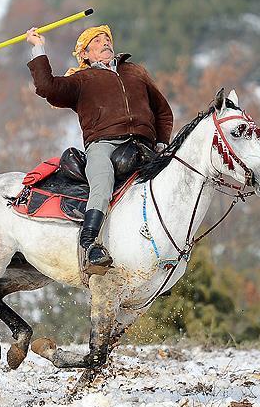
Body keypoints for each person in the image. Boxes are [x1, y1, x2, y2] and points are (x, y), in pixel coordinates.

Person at [25, 24, 173, 274]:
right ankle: (90, 244)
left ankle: (165, 252)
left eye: (106, 39)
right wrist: (38, 48)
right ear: (84, 54)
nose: (104, 43)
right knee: (102, 183)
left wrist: (162, 142)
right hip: (103, 144)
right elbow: (47, 88)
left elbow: (162, 111)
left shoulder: (136, 72)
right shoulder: (82, 80)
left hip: (145, 145)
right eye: (96, 41)